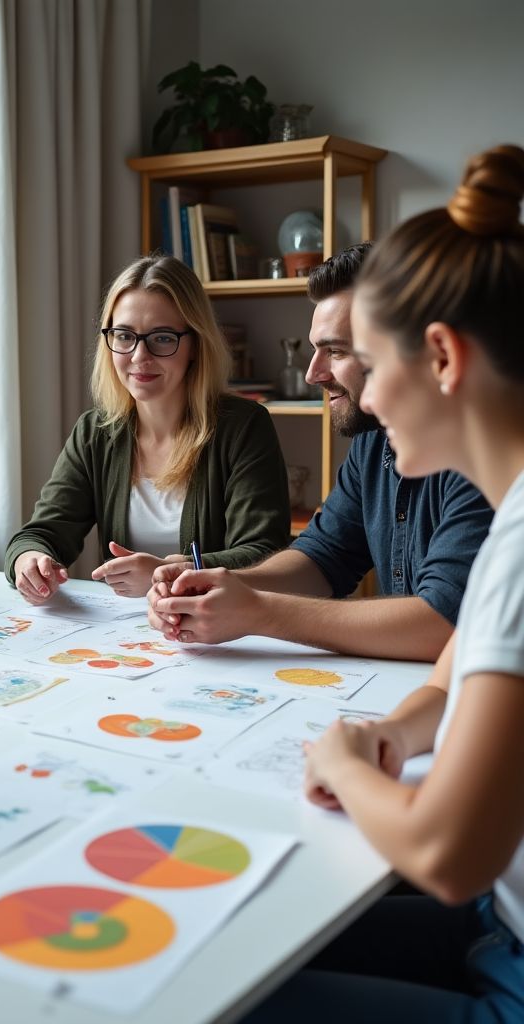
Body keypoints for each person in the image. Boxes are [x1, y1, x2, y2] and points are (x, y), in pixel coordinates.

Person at [246, 144, 524, 1022]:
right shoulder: (512, 505)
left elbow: (445, 851)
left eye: (366, 361)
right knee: (249, 936)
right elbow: (461, 661)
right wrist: (398, 730)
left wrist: (343, 763)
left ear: (440, 357)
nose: (361, 400)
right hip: (497, 920)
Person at [147, 243, 493, 661]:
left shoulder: (485, 455)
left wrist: (258, 611)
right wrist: (224, 585)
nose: (313, 373)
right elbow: (323, 557)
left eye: (338, 351)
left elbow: (444, 625)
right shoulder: (374, 438)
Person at [5, 254, 291, 604]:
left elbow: (264, 553)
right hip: (125, 635)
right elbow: (42, 532)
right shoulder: (95, 432)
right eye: (124, 336)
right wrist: (29, 560)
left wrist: (166, 572)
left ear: (195, 346)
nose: (140, 356)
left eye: (162, 338)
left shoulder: (243, 427)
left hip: (219, 631)